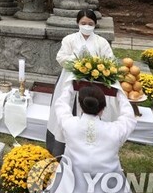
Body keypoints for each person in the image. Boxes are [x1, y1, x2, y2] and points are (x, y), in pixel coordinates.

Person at [36, 84, 153, 193]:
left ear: (81, 106)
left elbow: (61, 104)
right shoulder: (115, 131)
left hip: (72, 182)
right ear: (103, 109)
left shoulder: (69, 124)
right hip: (108, 186)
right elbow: (129, 116)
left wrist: (70, 85)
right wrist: (119, 92)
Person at [46, 9, 118, 158]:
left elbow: (110, 60)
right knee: (68, 110)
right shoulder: (69, 39)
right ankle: (60, 150)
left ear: (95, 24)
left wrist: (94, 65)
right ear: (77, 23)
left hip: (94, 85)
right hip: (71, 80)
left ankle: (92, 149)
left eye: (90, 23)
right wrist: (79, 62)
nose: (86, 26)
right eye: (83, 23)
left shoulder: (101, 42)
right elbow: (61, 57)